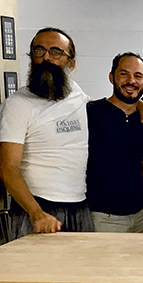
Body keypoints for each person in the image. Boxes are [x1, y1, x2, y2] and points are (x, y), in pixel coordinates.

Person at [0, 27, 95, 239]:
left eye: (56, 52)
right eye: (39, 50)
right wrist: (36, 213)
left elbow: (101, 106)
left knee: (81, 271)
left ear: (72, 64)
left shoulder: (76, 94)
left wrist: (139, 105)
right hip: (35, 209)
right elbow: (7, 166)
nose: (46, 57)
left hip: (79, 206)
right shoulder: (17, 104)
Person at [86, 52, 143, 233]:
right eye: (124, 74)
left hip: (141, 215)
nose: (131, 81)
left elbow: (139, 163)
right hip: (103, 218)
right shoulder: (91, 113)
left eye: (138, 76)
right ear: (111, 77)